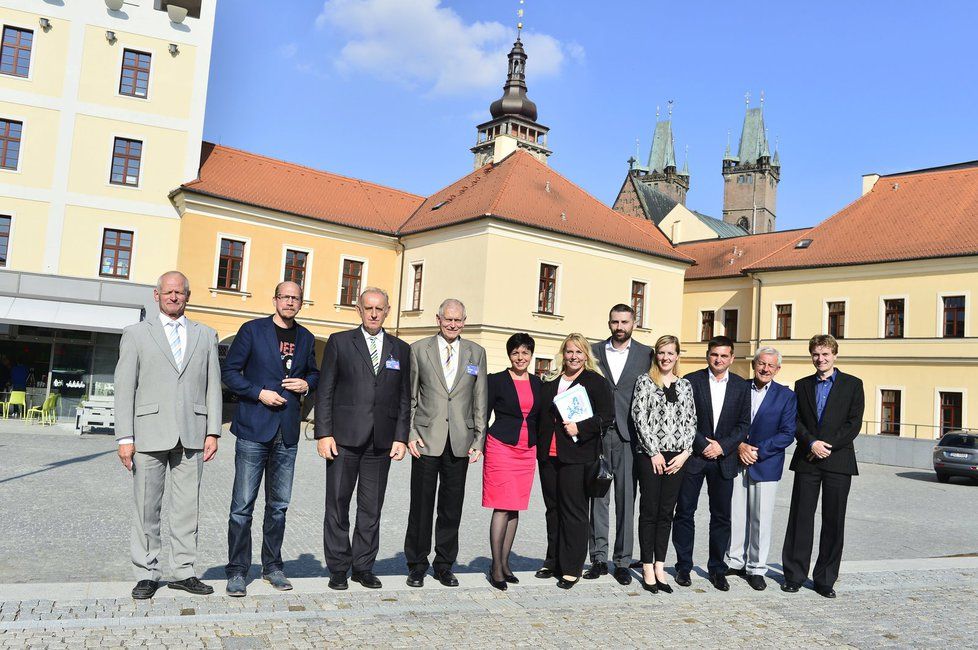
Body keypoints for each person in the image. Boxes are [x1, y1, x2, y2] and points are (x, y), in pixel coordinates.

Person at [115, 271, 222, 599]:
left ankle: (183, 571)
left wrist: (214, 431)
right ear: (156, 295)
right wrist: (124, 437)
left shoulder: (206, 334)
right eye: (168, 292)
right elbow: (124, 388)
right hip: (147, 433)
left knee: (187, 508)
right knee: (147, 506)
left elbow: (213, 386)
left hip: (193, 432)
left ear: (188, 296)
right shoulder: (135, 334)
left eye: (180, 292)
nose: (174, 297)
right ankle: (147, 572)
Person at [221, 281, 320, 597]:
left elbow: (314, 373)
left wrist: (306, 384)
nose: (290, 302)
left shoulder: (305, 337)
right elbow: (230, 373)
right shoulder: (251, 331)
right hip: (253, 428)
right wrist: (258, 393)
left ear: (301, 303)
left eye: (296, 298)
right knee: (242, 507)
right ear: (275, 299)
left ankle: (272, 567)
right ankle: (237, 571)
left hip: (287, 432)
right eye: (285, 296)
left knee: (278, 506)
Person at [315, 287, 410, 591]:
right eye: (367, 308)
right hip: (343, 439)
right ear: (358, 309)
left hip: (380, 442)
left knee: (371, 508)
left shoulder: (400, 349)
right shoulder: (340, 342)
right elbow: (325, 390)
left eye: (378, 309)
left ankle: (363, 566)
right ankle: (339, 568)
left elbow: (404, 398)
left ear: (387, 311)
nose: (373, 313)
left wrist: (401, 437)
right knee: (338, 504)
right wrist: (323, 432)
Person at [404, 299, 487, 588]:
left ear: (465, 321)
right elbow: (411, 396)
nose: (452, 324)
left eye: (458, 320)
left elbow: (480, 399)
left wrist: (479, 439)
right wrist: (411, 433)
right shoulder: (419, 350)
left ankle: (444, 564)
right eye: (447, 319)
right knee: (422, 506)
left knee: (452, 508)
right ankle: (416, 564)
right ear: (438, 318)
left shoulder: (476, 353)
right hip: (426, 440)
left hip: (460, 441)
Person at [781, 335, 864, 598]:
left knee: (833, 520)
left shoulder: (853, 384)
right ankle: (794, 575)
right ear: (811, 356)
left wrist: (827, 445)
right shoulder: (802, 385)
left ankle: (825, 579)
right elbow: (795, 421)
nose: (821, 359)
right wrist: (811, 443)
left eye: (826, 354)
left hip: (838, 460)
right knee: (800, 518)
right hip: (808, 458)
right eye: (816, 354)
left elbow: (854, 423)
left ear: (835, 355)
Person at [536, 333, 615, 589]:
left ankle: (572, 567)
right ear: (563, 353)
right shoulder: (551, 380)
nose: (573, 357)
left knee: (574, 511)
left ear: (586, 356)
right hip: (549, 455)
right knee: (553, 509)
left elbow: (607, 417)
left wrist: (580, 428)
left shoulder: (594, 382)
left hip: (577, 455)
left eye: (579, 352)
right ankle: (553, 560)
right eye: (570, 351)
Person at [672, 335, 750, 591]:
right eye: (715, 354)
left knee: (721, 516)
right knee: (684, 513)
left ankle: (717, 568)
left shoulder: (740, 386)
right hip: (694, 458)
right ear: (708, 355)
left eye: (724, 355)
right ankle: (684, 566)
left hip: (723, 460)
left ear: (731, 358)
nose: (719, 359)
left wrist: (722, 446)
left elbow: (743, 425)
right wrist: (701, 444)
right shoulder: (691, 381)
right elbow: (683, 418)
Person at [586, 305, 652, 585]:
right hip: (599, 434)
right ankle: (599, 558)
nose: (619, 326)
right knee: (598, 499)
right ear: (609, 323)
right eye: (615, 321)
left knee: (626, 500)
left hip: (629, 436)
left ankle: (623, 560)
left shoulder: (646, 354)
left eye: (625, 321)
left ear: (634, 323)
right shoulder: (594, 351)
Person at [725, 346, 796, 591]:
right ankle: (734, 561)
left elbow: (787, 434)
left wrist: (757, 451)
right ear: (754, 364)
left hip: (765, 463)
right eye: (761, 364)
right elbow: (727, 423)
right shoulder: (739, 388)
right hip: (736, 459)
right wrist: (740, 446)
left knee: (760, 518)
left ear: (777, 369)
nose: (765, 369)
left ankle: (756, 568)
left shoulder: (786, 396)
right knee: (735, 513)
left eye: (770, 365)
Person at [630, 335, 695, 594]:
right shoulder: (645, 382)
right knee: (649, 511)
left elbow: (691, 421)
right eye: (661, 353)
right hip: (650, 456)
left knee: (667, 512)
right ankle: (646, 566)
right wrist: (653, 452)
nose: (666, 357)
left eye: (670, 353)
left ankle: (660, 565)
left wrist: (685, 453)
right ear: (656, 355)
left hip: (677, 457)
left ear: (677, 355)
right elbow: (639, 417)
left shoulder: (686, 385)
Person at [482, 333, 542, 590]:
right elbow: (481, 414)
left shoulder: (539, 383)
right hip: (501, 447)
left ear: (531, 355)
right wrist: (480, 444)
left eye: (525, 353)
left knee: (515, 507)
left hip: (527, 450)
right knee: (502, 506)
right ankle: (495, 567)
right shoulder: (495, 381)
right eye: (516, 353)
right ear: (510, 355)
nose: (521, 357)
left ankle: (506, 563)